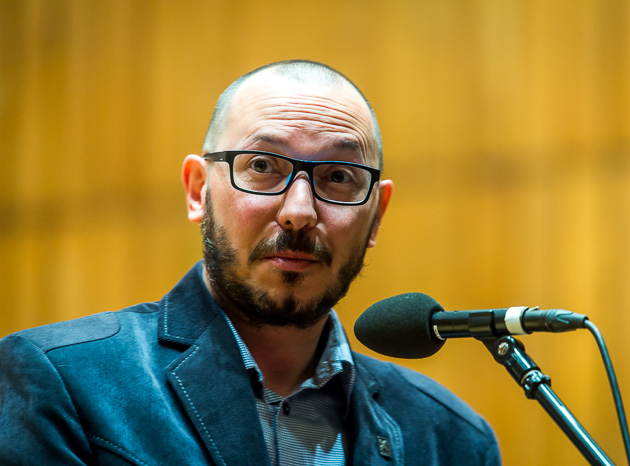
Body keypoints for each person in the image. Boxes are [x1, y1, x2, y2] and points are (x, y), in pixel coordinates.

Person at [0, 60, 501, 465]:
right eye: (262, 166)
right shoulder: (64, 381)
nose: (299, 212)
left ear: (376, 216)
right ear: (198, 190)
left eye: (338, 176)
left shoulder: (450, 438)